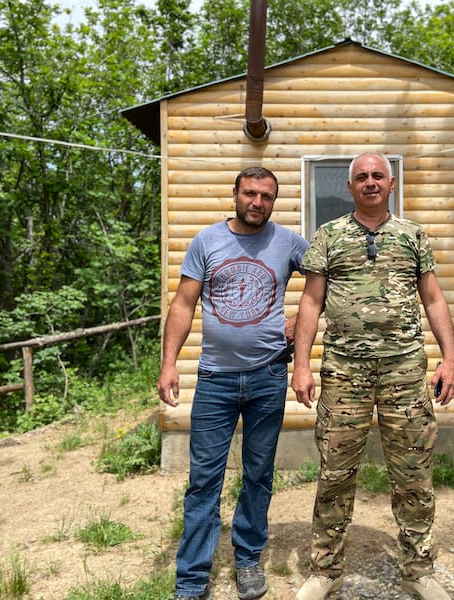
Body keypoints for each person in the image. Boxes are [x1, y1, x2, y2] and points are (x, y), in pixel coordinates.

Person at [291, 153, 454, 600]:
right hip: (344, 372)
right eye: (361, 177)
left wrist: (450, 358)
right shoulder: (328, 236)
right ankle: (326, 570)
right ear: (349, 187)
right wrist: (302, 364)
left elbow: (434, 300)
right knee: (335, 473)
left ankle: (418, 571)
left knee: (413, 472)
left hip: (405, 371)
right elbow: (311, 302)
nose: (369, 182)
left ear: (392, 183)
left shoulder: (412, 236)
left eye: (377, 176)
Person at [156, 166, 309, 600]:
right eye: (250, 194)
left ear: (273, 201)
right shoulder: (207, 241)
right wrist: (169, 363)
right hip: (215, 380)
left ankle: (247, 561)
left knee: (258, 475)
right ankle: (191, 579)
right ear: (236, 194)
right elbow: (184, 304)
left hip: (267, 377)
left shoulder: (289, 243)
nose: (257, 202)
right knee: (205, 480)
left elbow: (328, 283)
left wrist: (300, 321)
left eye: (266, 196)